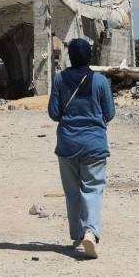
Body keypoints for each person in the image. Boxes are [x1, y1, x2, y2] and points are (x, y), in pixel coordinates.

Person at [47, 38, 115, 259]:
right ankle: (90, 232)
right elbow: (110, 113)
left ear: (70, 57)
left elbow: (54, 113)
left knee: (72, 191)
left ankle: (77, 234)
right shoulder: (101, 81)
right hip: (94, 144)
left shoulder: (59, 79)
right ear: (89, 56)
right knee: (93, 189)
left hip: (67, 144)